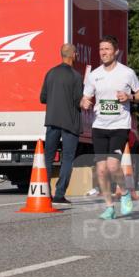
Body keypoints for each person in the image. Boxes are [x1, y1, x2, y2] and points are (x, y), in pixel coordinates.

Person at [81, 35, 139, 220]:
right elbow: (85, 98)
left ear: (116, 51)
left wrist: (130, 97)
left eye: (107, 49)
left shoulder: (127, 73)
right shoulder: (94, 75)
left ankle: (124, 192)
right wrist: (84, 102)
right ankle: (109, 207)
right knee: (101, 170)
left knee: (113, 166)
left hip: (119, 125)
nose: (104, 53)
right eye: (101, 49)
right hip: (99, 126)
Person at [40, 44, 83, 205]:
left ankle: (45, 193)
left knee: (48, 158)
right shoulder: (76, 76)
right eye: (76, 53)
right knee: (67, 158)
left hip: (51, 121)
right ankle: (60, 194)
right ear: (73, 55)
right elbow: (78, 101)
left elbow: (43, 98)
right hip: (70, 122)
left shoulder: (50, 73)